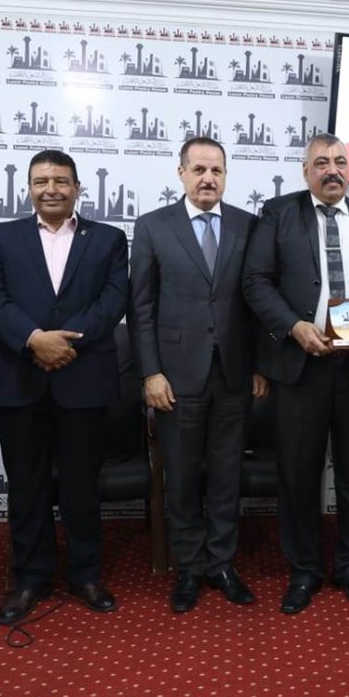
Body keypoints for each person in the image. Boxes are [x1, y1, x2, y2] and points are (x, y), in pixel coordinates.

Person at [242, 133, 349, 614]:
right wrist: (294, 327)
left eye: (339, 162)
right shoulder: (278, 214)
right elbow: (256, 282)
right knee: (298, 474)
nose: (332, 170)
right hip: (302, 367)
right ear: (305, 171)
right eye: (321, 163)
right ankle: (304, 570)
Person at [0, 149, 128, 624]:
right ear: (29, 188)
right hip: (20, 377)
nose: (51, 189)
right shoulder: (0, 237)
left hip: (84, 378)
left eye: (61, 181)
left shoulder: (108, 239)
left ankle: (86, 574)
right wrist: (34, 340)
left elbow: (113, 301)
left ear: (77, 188)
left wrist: (65, 343)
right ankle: (30, 578)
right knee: (27, 485)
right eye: (41, 181)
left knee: (83, 485)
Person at [129, 136, 267, 612]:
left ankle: (222, 563)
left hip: (234, 374)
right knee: (183, 475)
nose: (209, 178)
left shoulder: (249, 226)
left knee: (228, 473)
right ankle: (188, 566)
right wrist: (151, 372)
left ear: (226, 175)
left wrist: (260, 366)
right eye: (199, 169)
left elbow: (259, 301)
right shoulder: (153, 226)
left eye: (217, 170)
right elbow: (140, 307)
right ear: (181, 173)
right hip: (176, 376)